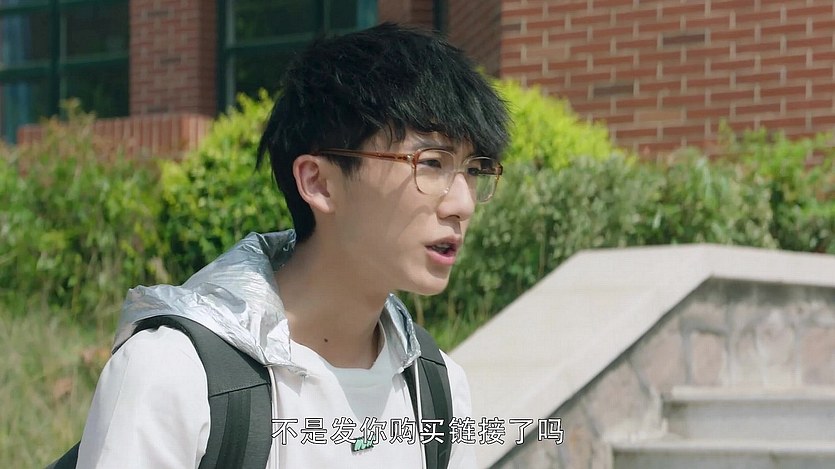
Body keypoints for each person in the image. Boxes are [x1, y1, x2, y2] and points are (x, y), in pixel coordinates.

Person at [76, 22, 509, 468]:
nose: (463, 204)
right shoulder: (176, 374)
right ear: (318, 182)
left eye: (473, 170)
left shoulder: (438, 390)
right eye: (432, 163)